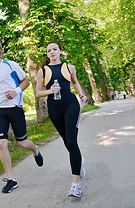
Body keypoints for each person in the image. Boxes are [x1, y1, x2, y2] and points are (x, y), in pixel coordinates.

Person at [0, 40, 43, 193]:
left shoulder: (10, 65)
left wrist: (16, 91)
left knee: (22, 143)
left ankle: (35, 150)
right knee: (1, 143)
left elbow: (26, 82)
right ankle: (11, 179)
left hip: (15, 108)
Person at [35, 41, 86, 198]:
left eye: (54, 49)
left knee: (71, 142)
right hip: (54, 108)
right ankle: (79, 161)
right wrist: (50, 90)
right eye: (49, 50)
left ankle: (75, 185)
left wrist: (81, 93)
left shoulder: (69, 67)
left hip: (71, 104)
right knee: (67, 142)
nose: (52, 52)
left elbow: (75, 83)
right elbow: (38, 93)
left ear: (60, 51)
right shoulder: (42, 71)